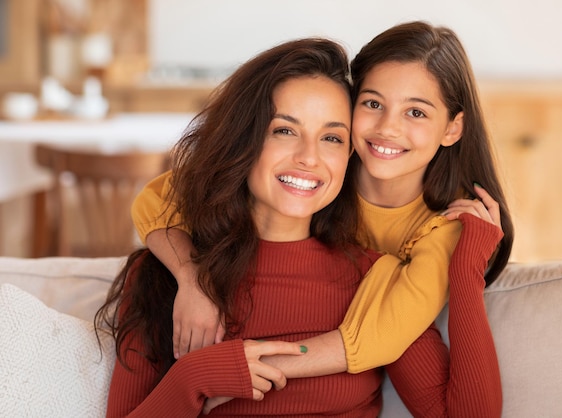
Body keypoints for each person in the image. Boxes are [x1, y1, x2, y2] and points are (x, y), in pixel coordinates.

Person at [130, 21, 512, 416]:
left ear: (453, 128)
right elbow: (158, 196)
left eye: (330, 137)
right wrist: (193, 281)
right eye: (373, 103)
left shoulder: (390, 273)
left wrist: (467, 268)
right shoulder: (321, 184)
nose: (387, 128)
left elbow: (386, 338)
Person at [96, 38, 386, 416]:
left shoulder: (375, 279)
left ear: (349, 155)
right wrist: (195, 377)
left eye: (331, 138)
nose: (309, 157)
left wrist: (463, 268)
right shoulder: (162, 275)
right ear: (243, 138)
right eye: (284, 130)